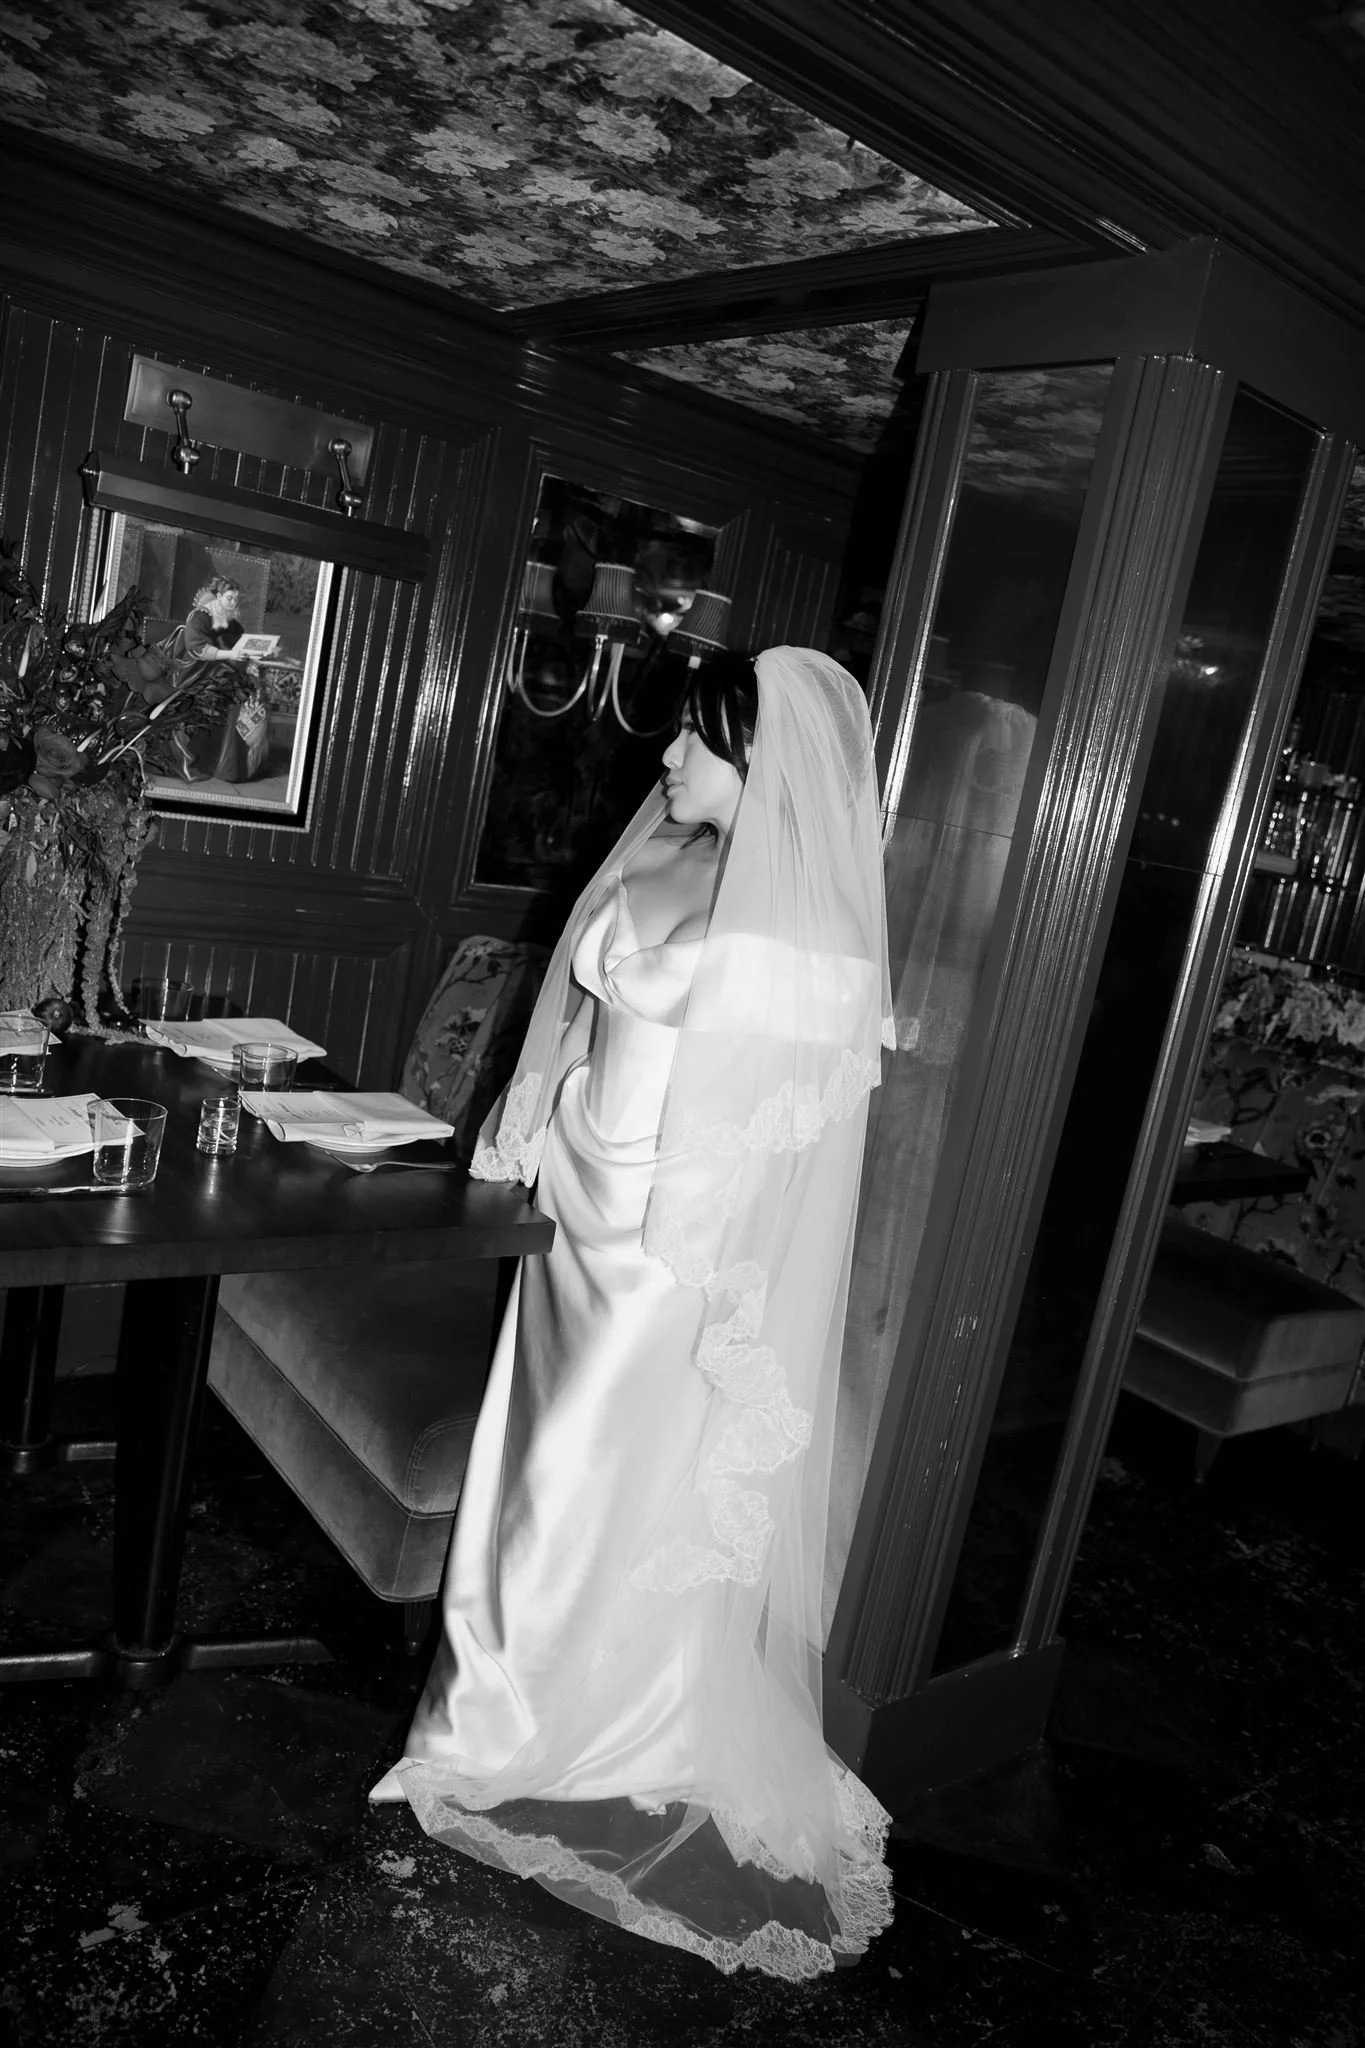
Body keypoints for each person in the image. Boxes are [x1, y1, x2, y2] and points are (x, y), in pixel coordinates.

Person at [371, 646, 896, 1980]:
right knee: (530, 1454)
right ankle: (489, 1708)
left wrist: (705, 1263)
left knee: (587, 1474)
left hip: (668, 1251)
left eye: (697, 742)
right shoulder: (659, 852)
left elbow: (787, 1138)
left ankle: (535, 1730)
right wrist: (529, 1130)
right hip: (576, 1212)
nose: (665, 759)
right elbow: (575, 1023)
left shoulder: (805, 933)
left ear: (761, 764)